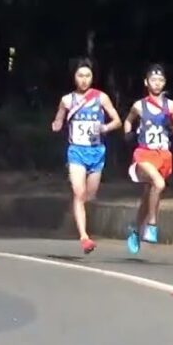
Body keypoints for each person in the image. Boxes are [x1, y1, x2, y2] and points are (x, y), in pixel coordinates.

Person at [50, 58, 122, 254]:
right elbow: (58, 120)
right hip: (76, 151)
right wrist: (57, 125)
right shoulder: (67, 100)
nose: (84, 80)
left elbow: (117, 120)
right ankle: (84, 236)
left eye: (87, 76)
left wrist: (105, 127)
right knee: (79, 192)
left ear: (92, 77)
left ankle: (76, 214)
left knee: (89, 195)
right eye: (80, 75)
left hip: (96, 152)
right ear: (74, 77)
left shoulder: (101, 98)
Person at [121, 63, 173, 255]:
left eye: (160, 80)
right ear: (146, 82)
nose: (157, 83)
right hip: (143, 154)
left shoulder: (171, 106)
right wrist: (127, 133)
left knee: (149, 194)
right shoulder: (139, 106)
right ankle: (152, 224)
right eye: (153, 80)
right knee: (159, 184)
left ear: (164, 83)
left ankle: (134, 228)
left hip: (163, 155)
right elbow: (128, 121)